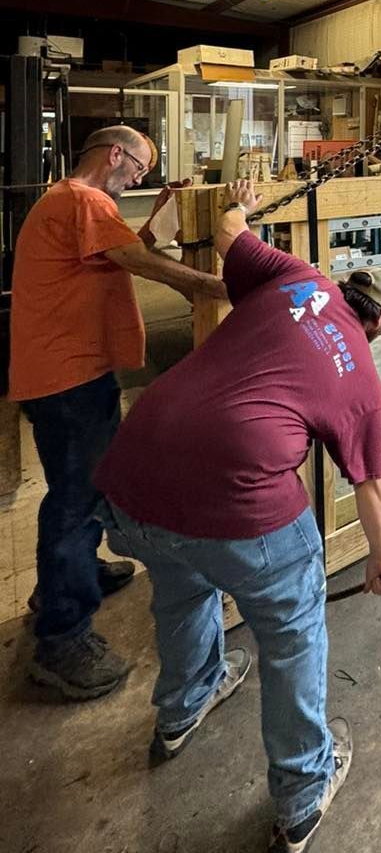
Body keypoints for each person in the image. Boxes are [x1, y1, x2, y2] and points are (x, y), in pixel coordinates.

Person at [94, 180, 381, 853]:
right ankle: (302, 796)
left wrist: (244, 201)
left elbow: (231, 232)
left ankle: (183, 708)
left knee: (180, 583)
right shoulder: (361, 381)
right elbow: (372, 486)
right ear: (378, 324)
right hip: (234, 500)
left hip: (131, 477)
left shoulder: (296, 275)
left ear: (345, 287)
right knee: (292, 633)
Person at [9, 125, 226, 700]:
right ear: (115, 155)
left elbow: (134, 248)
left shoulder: (71, 204)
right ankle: (61, 634)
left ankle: (71, 576)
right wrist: (218, 287)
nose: (140, 177)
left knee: (83, 490)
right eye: (140, 168)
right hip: (69, 381)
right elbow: (139, 260)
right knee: (76, 502)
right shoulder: (82, 200)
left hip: (67, 376)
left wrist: (161, 213)